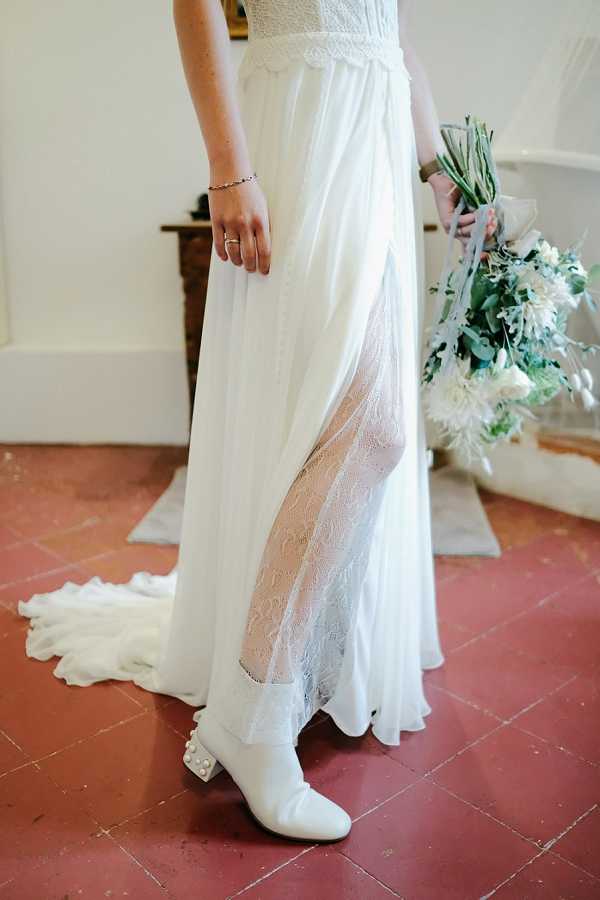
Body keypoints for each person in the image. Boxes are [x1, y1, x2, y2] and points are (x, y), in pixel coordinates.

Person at [19, 0, 496, 843]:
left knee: (355, 420)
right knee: (372, 424)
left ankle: (301, 661)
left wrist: (440, 168)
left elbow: (397, 38)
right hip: (304, 131)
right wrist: (229, 170)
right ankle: (253, 713)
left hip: (375, 137)